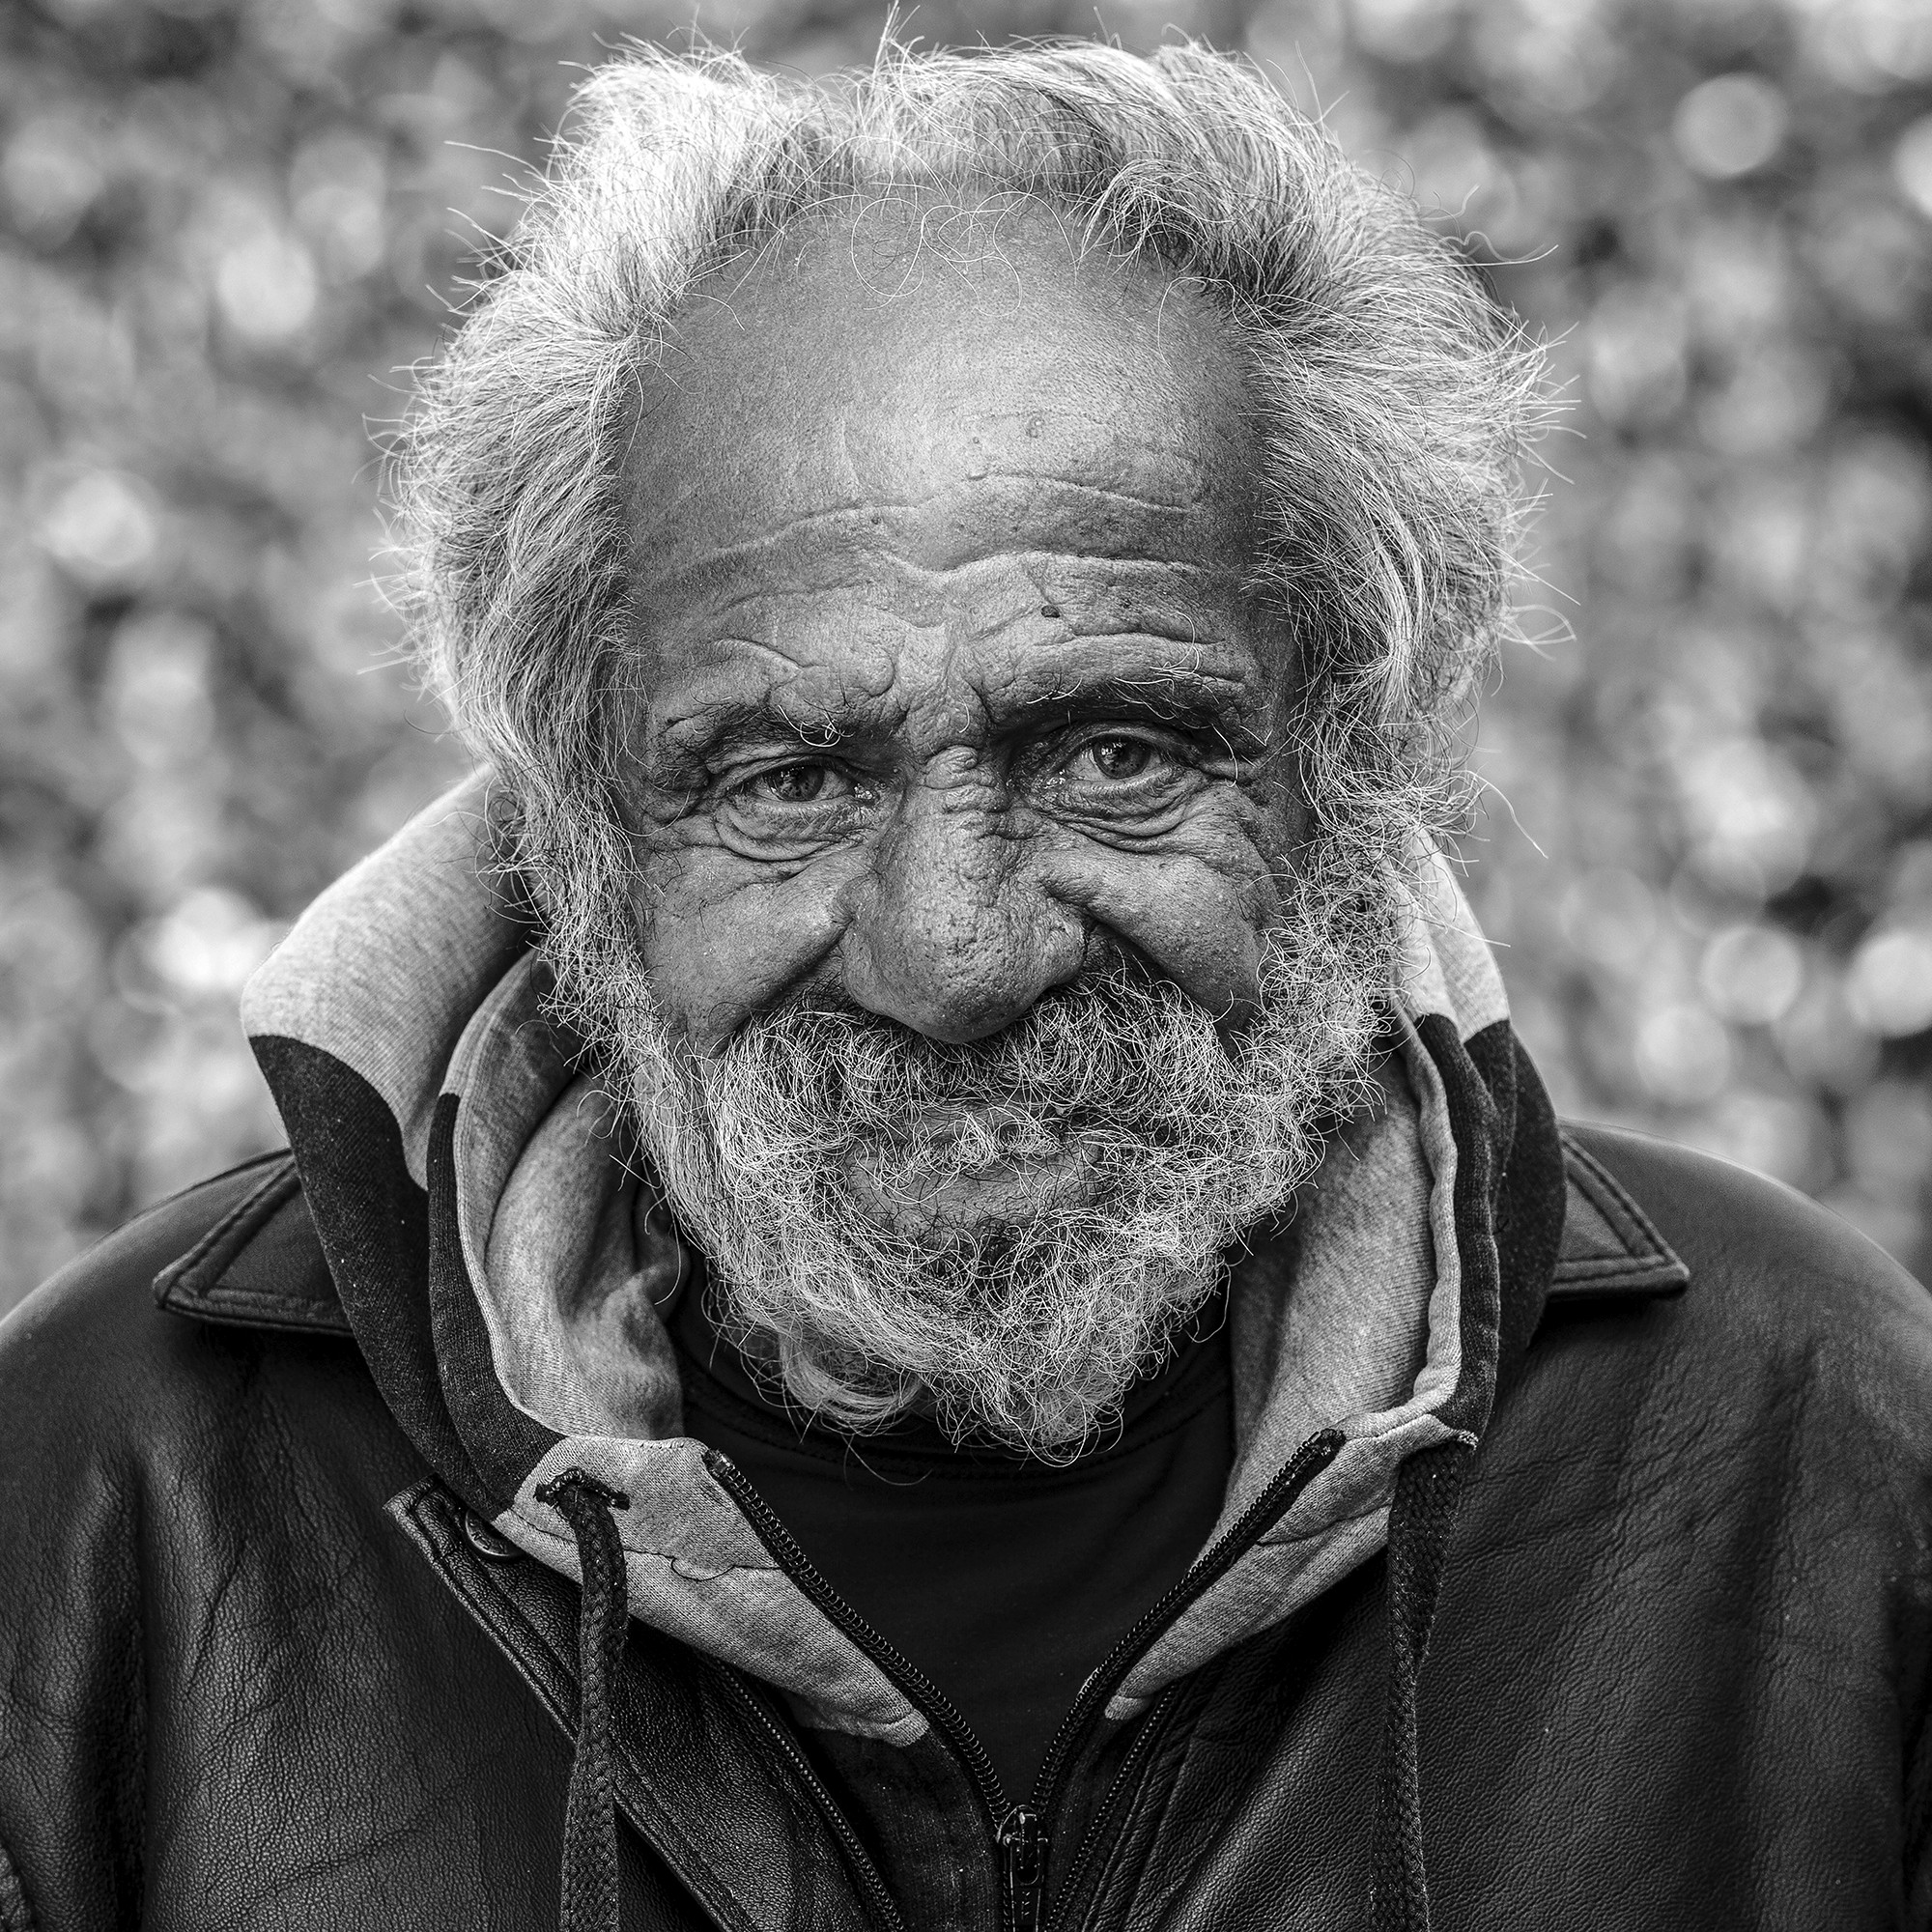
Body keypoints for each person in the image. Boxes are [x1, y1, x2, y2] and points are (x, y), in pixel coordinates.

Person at [2, 38, 1927, 1932]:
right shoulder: (107, 1490)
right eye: (787, 779)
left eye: (1112, 752)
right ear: (575, 821)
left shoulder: (1802, 1439)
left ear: (1350, 753)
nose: (952, 953)